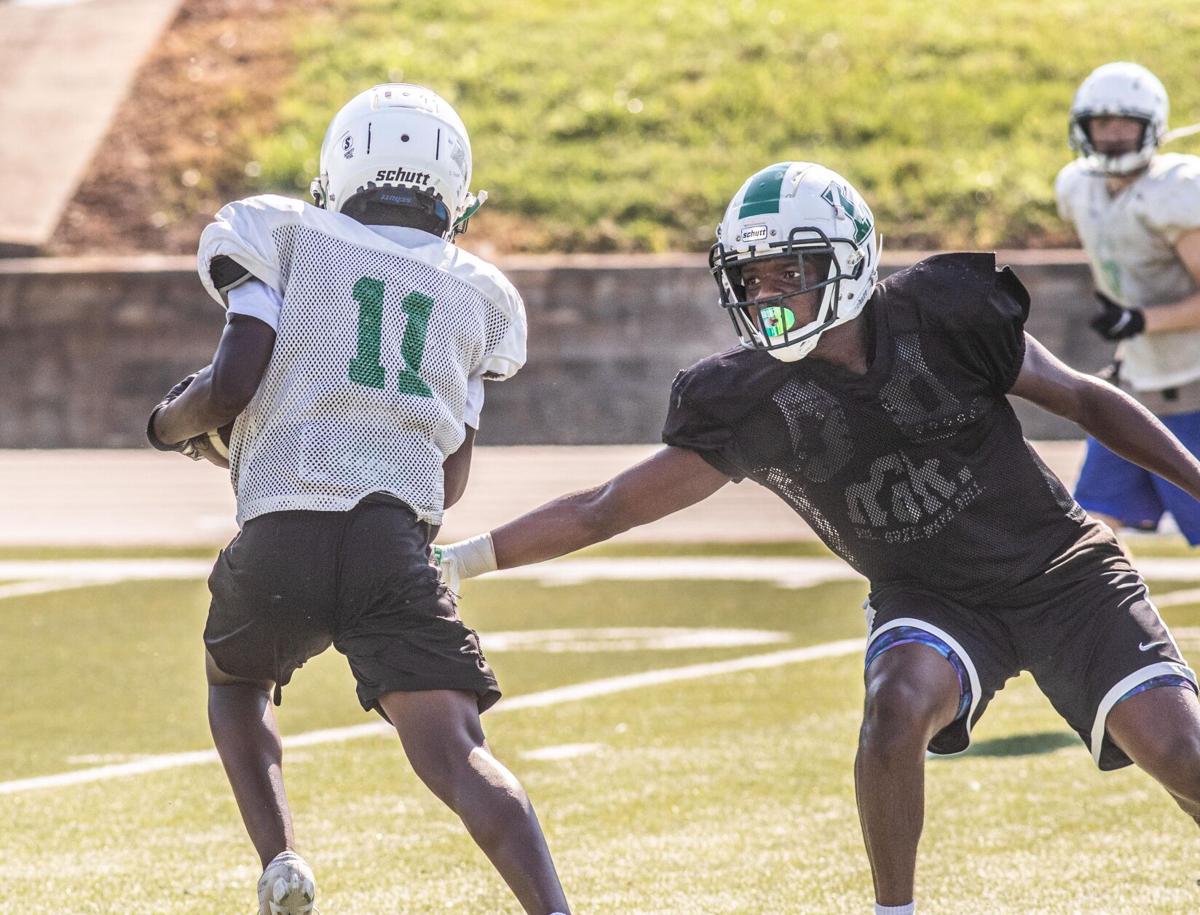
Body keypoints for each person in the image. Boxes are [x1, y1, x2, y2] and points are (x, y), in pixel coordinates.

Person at [436, 161, 1200, 914]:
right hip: (932, 599)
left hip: (1059, 571)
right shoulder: (749, 397)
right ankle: (892, 910)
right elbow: (608, 505)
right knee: (895, 703)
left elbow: (1085, 399)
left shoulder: (943, 314)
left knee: (1179, 755)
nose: (769, 294)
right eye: (753, 278)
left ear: (852, 259)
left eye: (788, 271)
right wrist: (466, 557)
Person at [146, 84, 570, 915]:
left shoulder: (281, 231)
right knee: (457, 754)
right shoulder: (479, 294)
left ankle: (281, 858)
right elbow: (446, 480)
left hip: (280, 534)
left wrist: (169, 425)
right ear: (453, 186)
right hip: (392, 540)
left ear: (339, 169)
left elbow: (234, 381)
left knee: (236, 682)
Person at [1056, 61, 1200, 545]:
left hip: (1193, 390)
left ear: (1151, 127)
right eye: (1103, 124)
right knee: (1090, 533)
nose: (1114, 136)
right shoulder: (1078, 187)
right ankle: (1094, 623)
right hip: (1135, 390)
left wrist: (1140, 319)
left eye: (1125, 124)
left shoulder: (1176, 191)